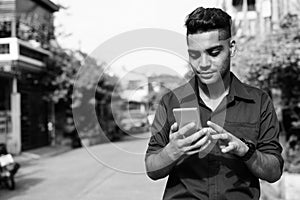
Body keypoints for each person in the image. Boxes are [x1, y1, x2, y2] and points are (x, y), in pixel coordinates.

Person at [145, 7, 283, 200]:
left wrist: (245, 150)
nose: (203, 64)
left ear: (232, 48)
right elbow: (151, 168)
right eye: (194, 54)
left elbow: (274, 172)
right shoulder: (171, 101)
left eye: (213, 52)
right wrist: (172, 150)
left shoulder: (259, 101)